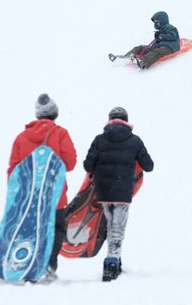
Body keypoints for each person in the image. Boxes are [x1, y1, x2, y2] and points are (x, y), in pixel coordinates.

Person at [8, 94, 77, 282]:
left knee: (31, 230)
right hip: (54, 194)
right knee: (55, 229)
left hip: (29, 196)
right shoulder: (61, 134)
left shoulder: (22, 138)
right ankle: (48, 266)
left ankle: (28, 264)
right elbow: (70, 163)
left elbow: (13, 170)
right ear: (55, 113)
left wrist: (16, 194)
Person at [83, 106, 154, 282]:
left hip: (104, 192)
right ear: (126, 120)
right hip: (123, 192)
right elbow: (149, 166)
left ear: (110, 120)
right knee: (118, 229)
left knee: (110, 225)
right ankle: (111, 264)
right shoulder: (135, 141)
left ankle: (115, 259)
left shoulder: (99, 140)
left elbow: (87, 166)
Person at [109, 12, 180, 69]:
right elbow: (160, 39)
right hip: (160, 45)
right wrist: (158, 37)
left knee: (157, 52)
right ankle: (125, 57)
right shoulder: (161, 29)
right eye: (155, 22)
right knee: (141, 47)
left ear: (162, 21)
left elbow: (173, 36)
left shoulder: (170, 27)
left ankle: (144, 62)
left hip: (170, 47)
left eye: (157, 22)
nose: (155, 23)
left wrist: (161, 36)